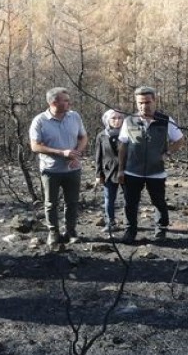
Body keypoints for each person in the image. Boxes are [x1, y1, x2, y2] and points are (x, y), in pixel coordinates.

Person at [118, 86, 185, 244]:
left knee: (158, 201)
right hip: (133, 171)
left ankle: (161, 230)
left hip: (156, 172)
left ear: (154, 101)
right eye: (140, 103)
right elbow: (123, 146)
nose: (144, 106)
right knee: (130, 202)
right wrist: (121, 169)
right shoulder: (129, 121)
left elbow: (180, 140)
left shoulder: (165, 120)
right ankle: (130, 231)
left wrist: (166, 153)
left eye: (147, 102)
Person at [29, 87, 88, 245]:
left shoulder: (74, 116)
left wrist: (76, 153)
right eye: (66, 100)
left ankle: (70, 231)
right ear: (54, 102)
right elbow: (35, 146)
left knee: (72, 202)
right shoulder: (40, 121)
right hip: (50, 170)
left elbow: (83, 137)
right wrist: (61, 153)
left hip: (73, 169)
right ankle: (53, 232)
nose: (70, 103)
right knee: (50, 203)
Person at [95, 109, 124, 234]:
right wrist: (98, 174)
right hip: (109, 172)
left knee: (129, 199)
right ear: (107, 120)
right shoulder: (102, 135)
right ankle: (110, 222)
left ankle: (130, 223)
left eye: (120, 118)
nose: (117, 121)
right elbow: (98, 156)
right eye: (113, 118)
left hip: (126, 171)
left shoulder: (128, 134)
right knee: (108, 199)